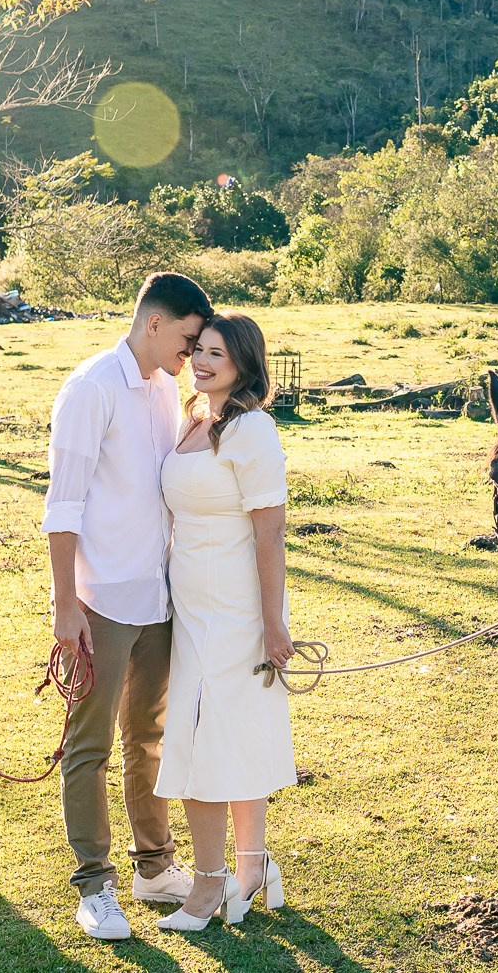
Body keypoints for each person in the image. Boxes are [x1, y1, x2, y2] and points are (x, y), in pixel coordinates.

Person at [41, 271, 213, 940]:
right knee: (89, 744)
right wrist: (66, 605)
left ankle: (152, 864)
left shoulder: (165, 388)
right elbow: (63, 505)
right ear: (154, 325)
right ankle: (94, 885)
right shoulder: (90, 389)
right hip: (100, 600)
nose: (194, 354)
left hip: (156, 595)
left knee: (148, 735)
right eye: (188, 339)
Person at [153, 310, 296, 932]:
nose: (204, 361)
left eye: (219, 353)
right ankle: (252, 865)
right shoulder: (192, 417)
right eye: (200, 349)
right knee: (230, 733)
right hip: (190, 609)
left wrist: (273, 626)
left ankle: (210, 884)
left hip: (237, 612)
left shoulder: (252, 431)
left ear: (243, 364)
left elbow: (270, 535)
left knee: (204, 737)